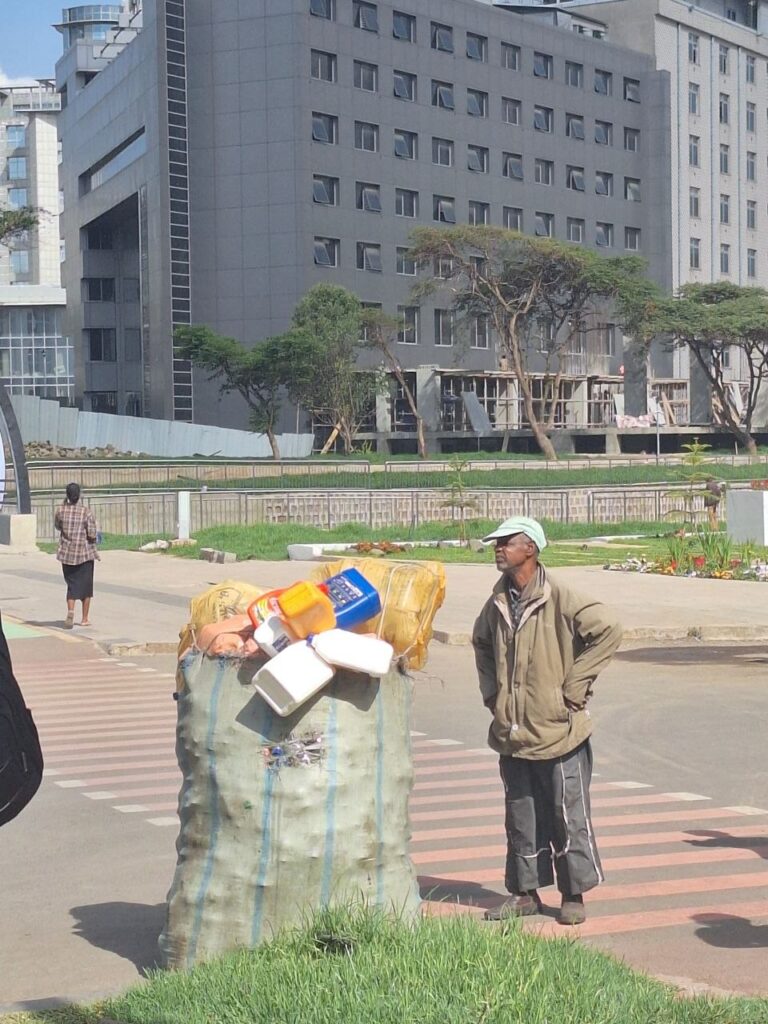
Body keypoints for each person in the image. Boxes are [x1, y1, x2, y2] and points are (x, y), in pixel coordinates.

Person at [472, 516, 622, 926]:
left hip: (559, 730)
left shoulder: (559, 595)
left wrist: (575, 685)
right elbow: (481, 643)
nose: (498, 549)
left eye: (506, 543)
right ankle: (524, 893)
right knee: (521, 815)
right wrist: (492, 693)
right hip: (513, 731)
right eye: (497, 544)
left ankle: (572, 893)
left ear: (531, 550)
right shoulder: (499, 599)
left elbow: (608, 629)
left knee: (566, 814)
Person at [54, 482, 100, 628]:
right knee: (86, 587)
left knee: (72, 585)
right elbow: (92, 533)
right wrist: (92, 539)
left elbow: (57, 526)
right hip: (84, 554)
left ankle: (70, 611)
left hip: (67, 554)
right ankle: (85, 618)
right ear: (79, 495)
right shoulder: (86, 512)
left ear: (67, 495)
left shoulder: (60, 510)